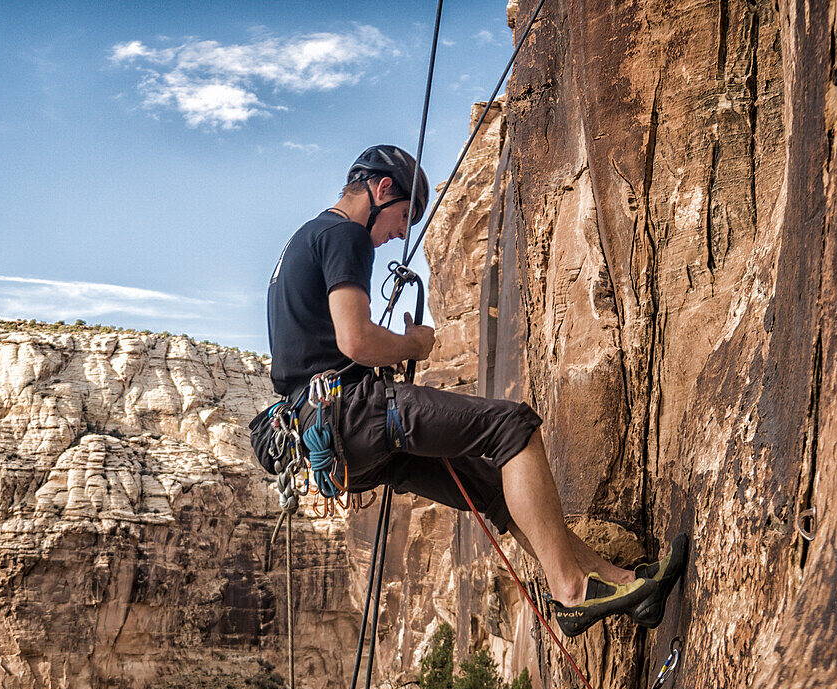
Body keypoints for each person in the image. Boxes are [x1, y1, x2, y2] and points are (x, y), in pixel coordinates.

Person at [255, 144, 685, 637]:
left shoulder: (302, 241)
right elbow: (356, 340)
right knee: (513, 427)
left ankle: (620, 584)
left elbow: (315, 350)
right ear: (382, 189)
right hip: (352, 417)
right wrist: (412, 344)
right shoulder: (344, 234)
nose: (399, 233)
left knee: (491, 488)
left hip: (327, 442)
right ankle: (571, 591)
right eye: (403, 217)